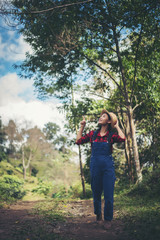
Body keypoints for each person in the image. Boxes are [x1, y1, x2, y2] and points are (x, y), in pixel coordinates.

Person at [76, 109, 125, 229]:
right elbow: (78, 141)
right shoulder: (93, 134)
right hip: (95, 166)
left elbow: (123, 139)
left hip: (108, 167)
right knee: (96, 192)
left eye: (103, 116)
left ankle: (108, 219)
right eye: (101, 116)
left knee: (109, 194)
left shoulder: (111, 135)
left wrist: (117, 126)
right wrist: (82, 127)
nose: (100, 117)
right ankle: (98, 215)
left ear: (108, 121)